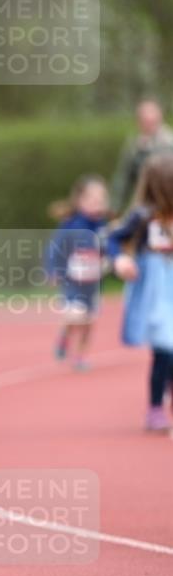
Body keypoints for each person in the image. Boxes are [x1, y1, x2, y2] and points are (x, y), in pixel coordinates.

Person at [108, 152, 173, 433]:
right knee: (165, 349)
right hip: (156, 289)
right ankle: (156, 407)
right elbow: (113, 238)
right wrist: (120, 259)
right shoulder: (143, 216)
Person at [46, 175, 111, 371]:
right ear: (80, 201)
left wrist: (109, 258)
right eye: (93, 200)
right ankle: (65, 335)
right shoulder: (71, 224)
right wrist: (52, 270)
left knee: (89, 321)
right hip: (73, 279)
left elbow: (109, 247)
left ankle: (80, 356)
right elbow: (56, 248)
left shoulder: (103, 225)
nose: (98, 205)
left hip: (93, 281)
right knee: (76, 316)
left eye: (101, 200)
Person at [111, 99, 173, 212]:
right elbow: (123, 180)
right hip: (144, 203)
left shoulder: (170, 142)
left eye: (152, 121)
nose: (149, 124)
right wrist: (114, 208)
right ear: (139, 122)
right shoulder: (134, 147)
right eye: (145, 121)